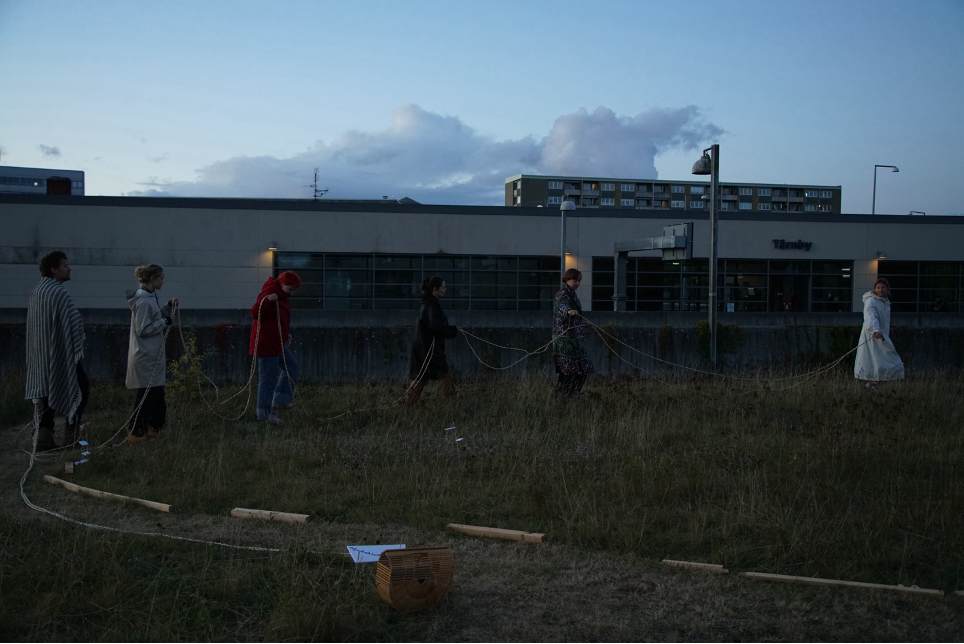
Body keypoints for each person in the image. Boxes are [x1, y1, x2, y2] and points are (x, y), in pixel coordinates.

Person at [25, 251, 89, 451]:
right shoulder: (57, 292)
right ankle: (71, 436)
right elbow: (74, 321)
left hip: (41, 354)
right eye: (65, 265)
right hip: (60, 353)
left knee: (46, 391)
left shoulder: (38, 291)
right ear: (54, 269)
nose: (69, 269)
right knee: (81, 388)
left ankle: (43, 438)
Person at [125, 264, 178, 444]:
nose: (163, 282)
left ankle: (153, 429)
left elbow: (153, 318)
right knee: (148, 395)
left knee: (155, 394)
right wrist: (165, 321)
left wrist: (167, 307)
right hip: (145, 355)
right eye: (161, 278)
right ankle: (136, 431)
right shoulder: (143, 302)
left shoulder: (148, 298)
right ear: (153, 278)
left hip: (151, 354)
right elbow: (143, 329)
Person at [250, 271, 301, 423]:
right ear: (282, 284)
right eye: (290, 289)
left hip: (276, 342)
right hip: (267, 344)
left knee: (292, 367)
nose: (291, 293)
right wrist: (267, 302)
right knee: (268, 380)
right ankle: (264, 414)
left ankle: (280, 400)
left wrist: (286, 335)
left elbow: (279, 319)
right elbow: (254, 312)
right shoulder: (269, 294)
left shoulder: (282, 296)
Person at [403, 276, 458, 405]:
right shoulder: (431, 305)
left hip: (423, 348)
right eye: (443, 287)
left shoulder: (428, 303)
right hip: (429, 349)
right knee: (444, 375)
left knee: (420, 378)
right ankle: (452, 405)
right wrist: (453, 330)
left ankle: (406, 405)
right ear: (435, 290)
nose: (445, 290)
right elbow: (436, 326)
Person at [854, 277, 904, 391]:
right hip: (873, 335)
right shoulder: (871, 301)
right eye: (878, 288)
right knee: (880, 360)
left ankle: (874, 386)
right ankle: (872, 386)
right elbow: (870, 317)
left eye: (883, 287)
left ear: (887, 289)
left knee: (880, 360)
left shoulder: (885, 302)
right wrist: (876, 330)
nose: (880, 290)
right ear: (874, 289)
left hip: (882, 335)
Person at [552, 268, 593, 397]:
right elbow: (560, 306)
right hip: (565, 340)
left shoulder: (573, 294)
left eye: (579, 281)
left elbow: (575, 318)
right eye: (575, 280)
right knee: (569, 371)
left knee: (582, 369)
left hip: (575, 340)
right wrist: (568, 311)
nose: (577, 284)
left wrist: (582, 324)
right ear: (568, 279)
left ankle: (570, 394)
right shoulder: (562, 294)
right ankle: (565, 396)